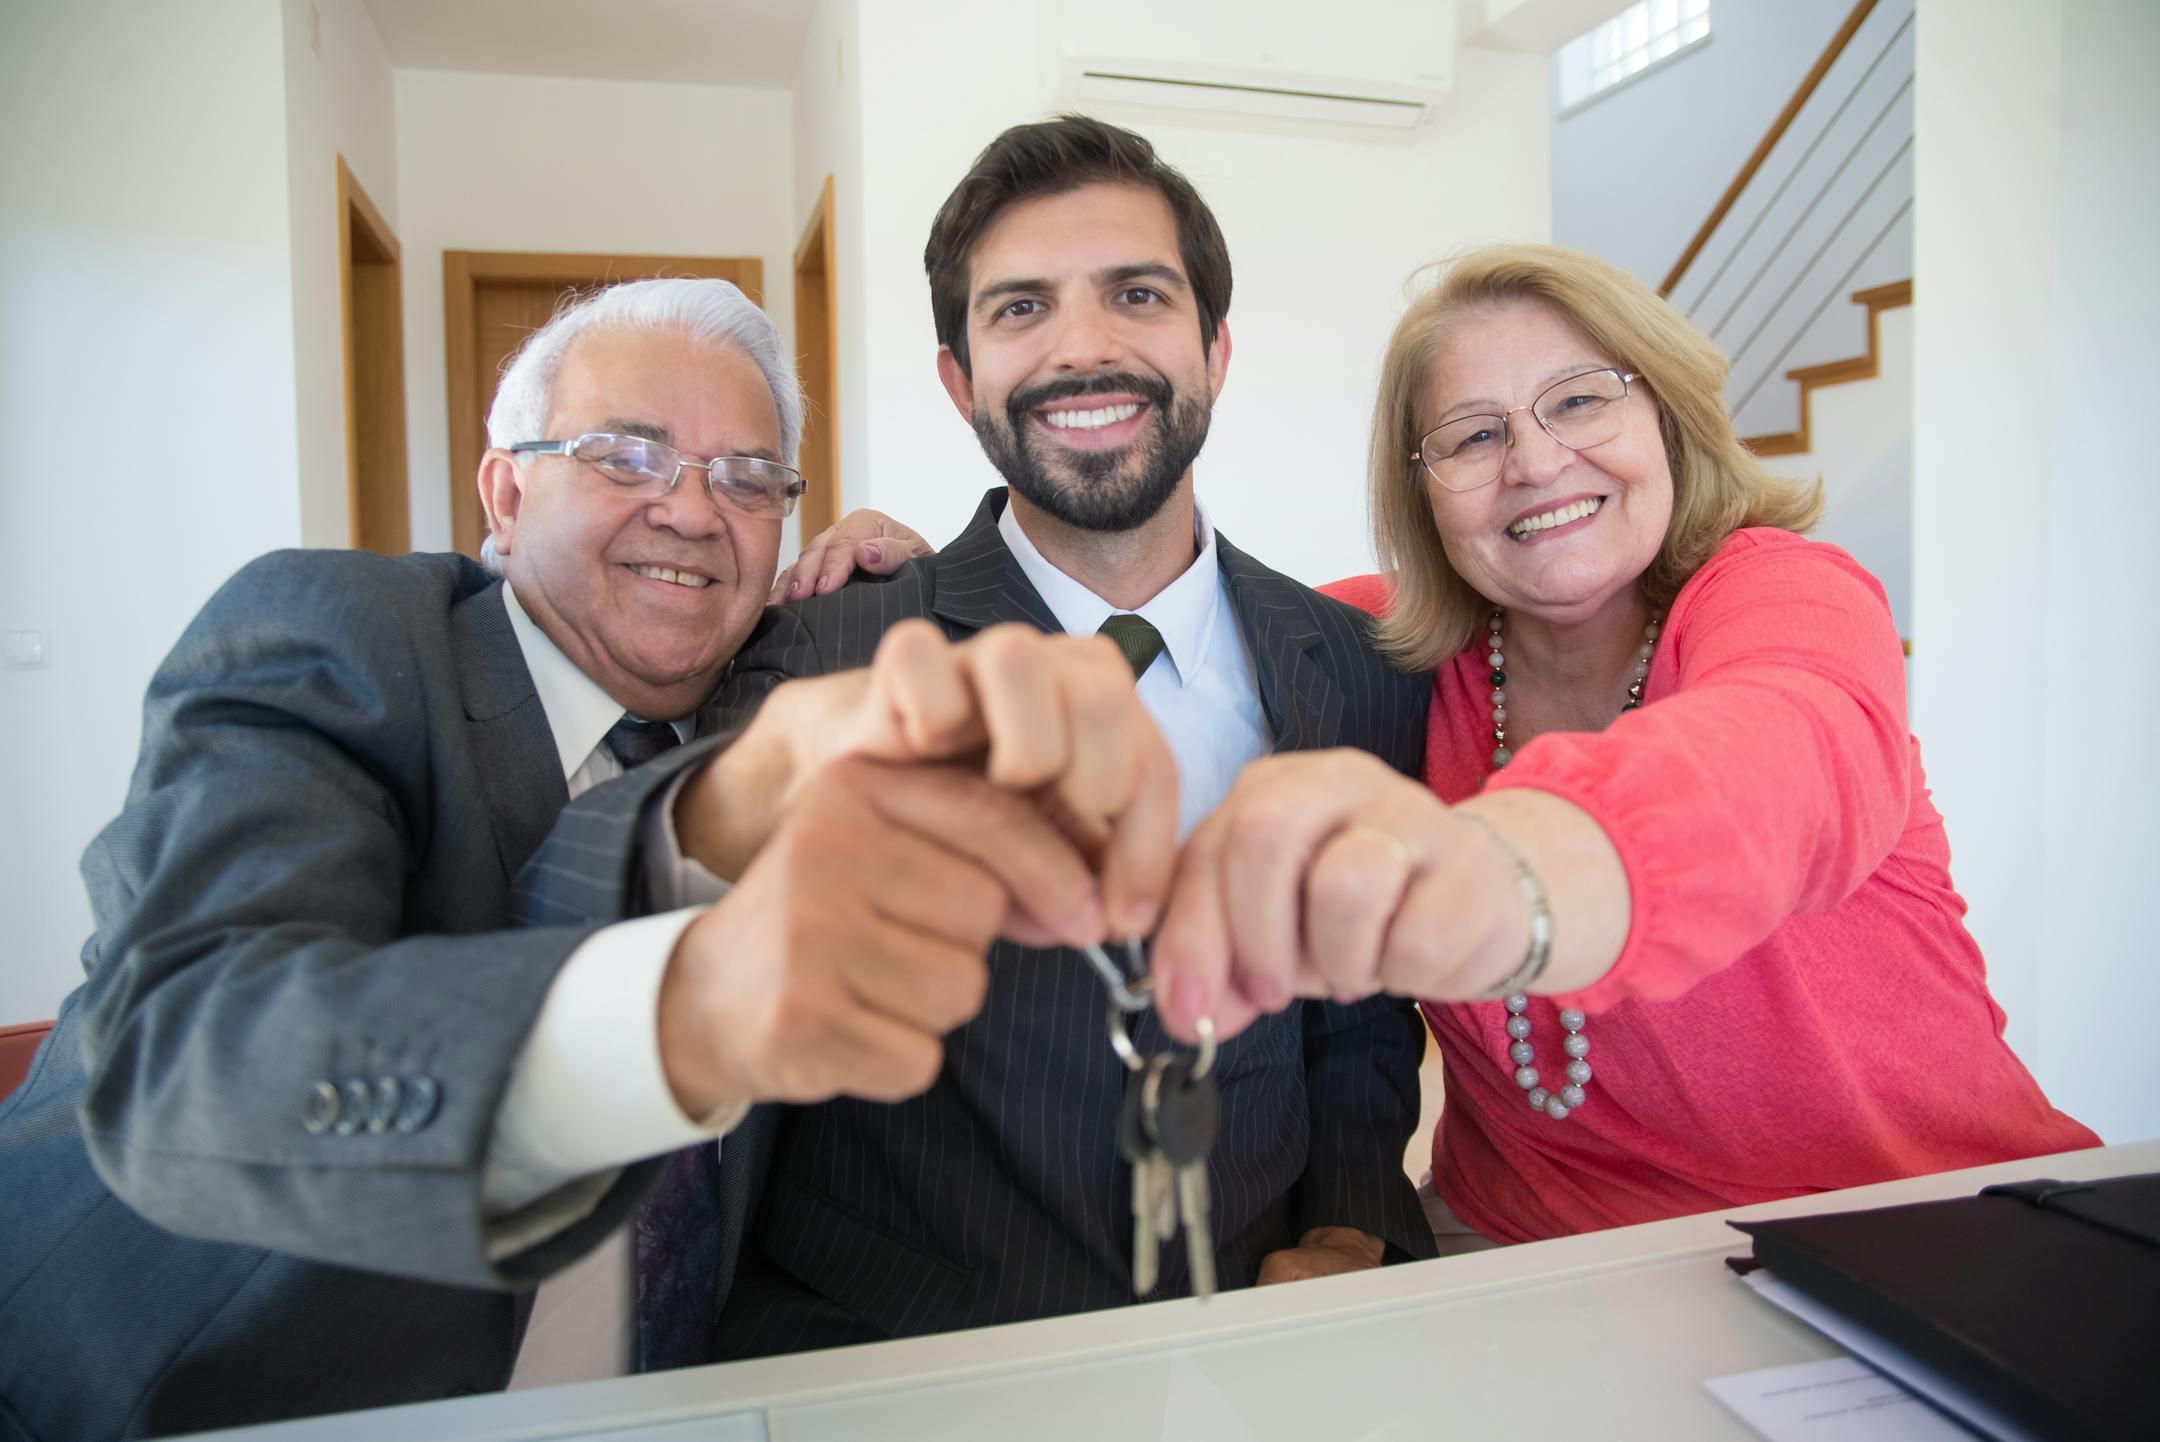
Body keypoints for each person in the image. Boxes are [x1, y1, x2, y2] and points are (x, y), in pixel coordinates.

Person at [0, 277, 1168, 1439]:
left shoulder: (775, 687)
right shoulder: (337, 639)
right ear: (506, 493)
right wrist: (676, 1006)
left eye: (749, 478)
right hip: (169, 1397)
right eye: (626, 454)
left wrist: (890, 560)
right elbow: (189, 1056)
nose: (694, 511)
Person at [516, 115, 1437, 1363]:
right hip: (886, 1358)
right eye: (1019, 310)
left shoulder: (1358, 670)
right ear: (959, 380)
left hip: (1255, 1352)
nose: (1084, 347)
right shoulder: (821, 649)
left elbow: (1363, 1020)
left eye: (1137, 293)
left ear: (1214, 347)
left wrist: (1346, 1225)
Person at [1149, 243, 2098, 1250]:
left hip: (1917, 1228)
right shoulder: (1378, 652)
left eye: (1580, 400)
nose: (1537, 461)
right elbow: (1165, 643)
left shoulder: (1785, 592)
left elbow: (1790, 755)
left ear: (1667, 414)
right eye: (1473, 436)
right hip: (1527, 1244)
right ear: (1421, 491)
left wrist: (1500, 869)